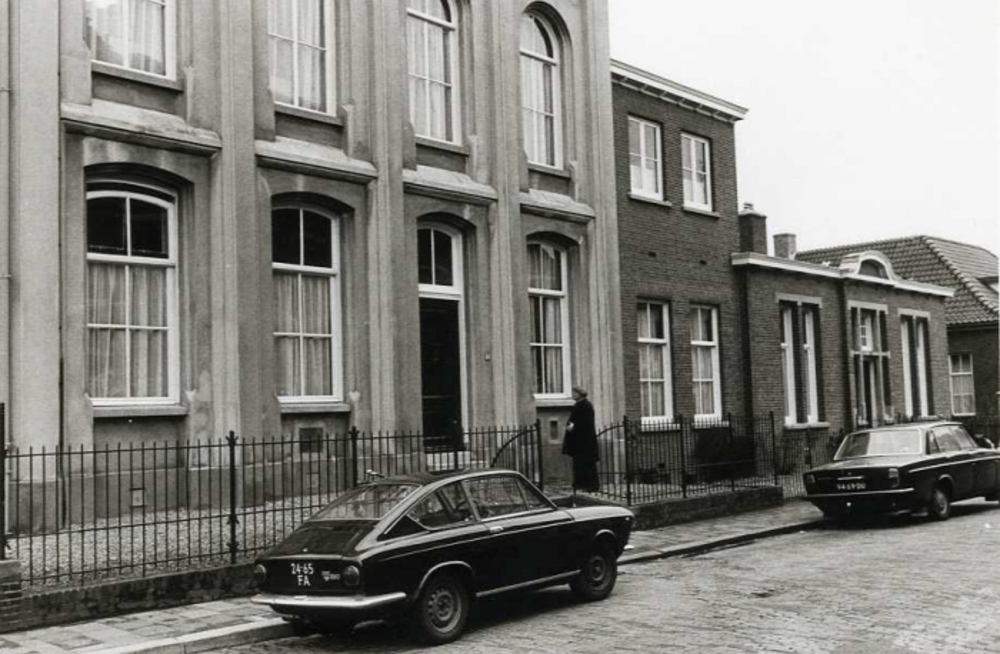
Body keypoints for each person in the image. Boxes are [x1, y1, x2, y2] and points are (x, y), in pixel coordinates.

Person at [562, 386, 600, 494]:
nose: (573, 395)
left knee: (586, 464)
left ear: (580, 394)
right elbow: (573, 421)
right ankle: (580, 484)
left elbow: (582, 423)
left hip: (584, 441)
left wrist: (572, 427)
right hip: (579, 441)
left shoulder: (585, 406)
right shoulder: (578, 406)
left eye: (575, 393)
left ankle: (590, 485)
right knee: (579, 463)